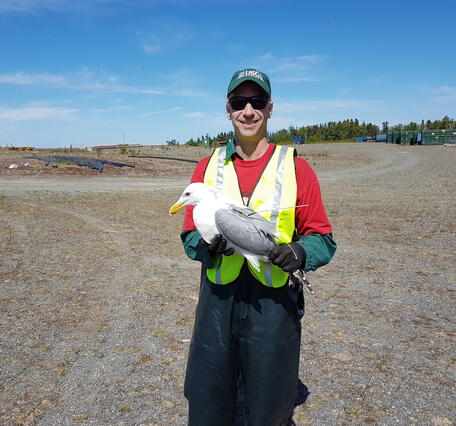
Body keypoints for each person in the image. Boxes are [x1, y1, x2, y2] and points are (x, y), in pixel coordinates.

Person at [179, 68, 336, 425]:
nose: (248, 111)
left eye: (257, 102)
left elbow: (323, 239)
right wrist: (209, 247)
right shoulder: (208, 166)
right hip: (217, 301)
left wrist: (300, 253)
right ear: (228, 109)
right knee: (208, 397)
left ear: (269, 108)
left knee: (268, 403)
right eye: (239, 102)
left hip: (273, 302)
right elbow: (189, 237)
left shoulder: (297, 168)